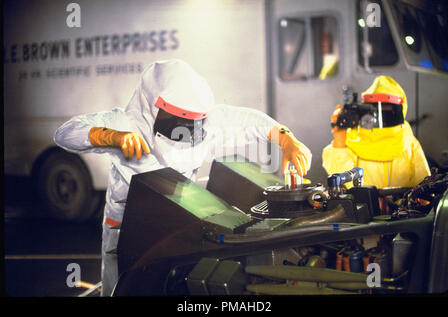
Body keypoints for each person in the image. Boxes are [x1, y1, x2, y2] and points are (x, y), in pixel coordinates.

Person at [54, 59, 312, 296]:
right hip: (126, 225)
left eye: (195, 122)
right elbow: (66, 133)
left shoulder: (207, 124)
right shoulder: (126, 123)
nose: (189, 131)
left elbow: (251, 121)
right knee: (122, 286)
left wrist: (287, 139)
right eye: (178, 120)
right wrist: (110, 137)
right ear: (152, 108)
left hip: (181, 217)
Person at [322, 75, 430, 188]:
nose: (380, 114)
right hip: (362, 205)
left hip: (401, 205)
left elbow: (424, 184)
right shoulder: (353, 139)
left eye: (386, 108)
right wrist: (339, 139)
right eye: (375, 108)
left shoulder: (409, 143)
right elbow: (340, 176)